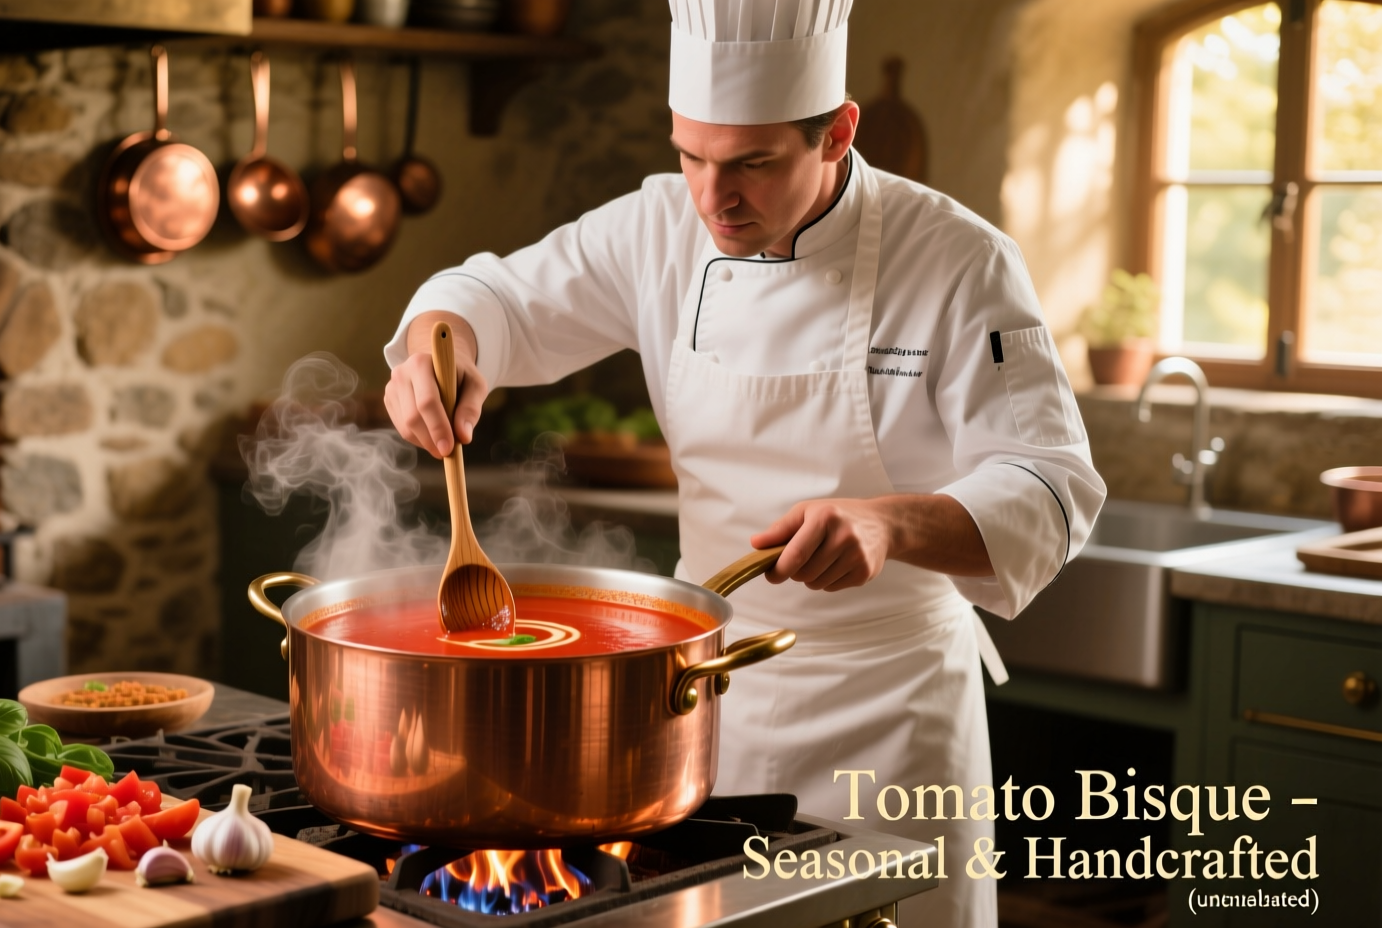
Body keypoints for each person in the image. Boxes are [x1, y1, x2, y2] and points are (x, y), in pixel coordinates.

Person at [381, 1, 1105, 924]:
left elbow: (1052, 490)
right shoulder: (657, 228)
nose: (713, 196)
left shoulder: (959, 261)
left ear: (838, 133)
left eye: (754, 164)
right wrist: (440, 347)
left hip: (888, 715)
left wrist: (891, 521)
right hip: (698, 704)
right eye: (691, 156)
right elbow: (491, 296)